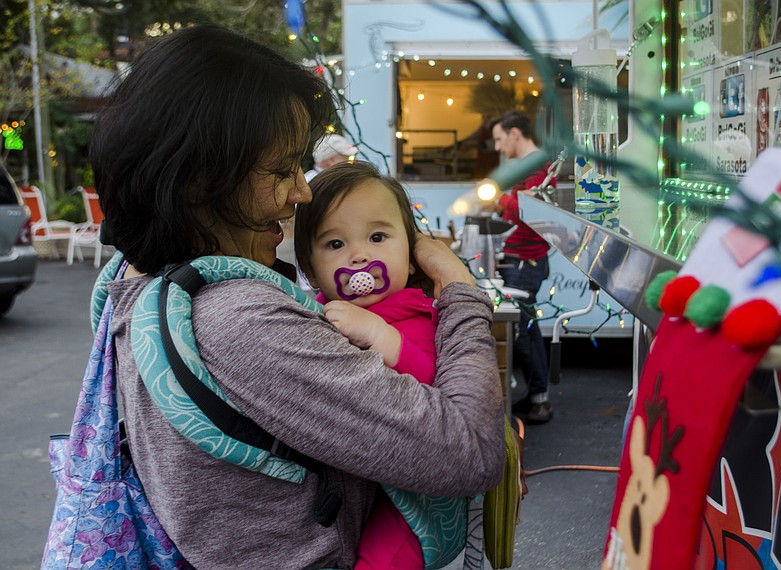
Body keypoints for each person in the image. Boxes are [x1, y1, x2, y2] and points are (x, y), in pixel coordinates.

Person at [90, 25, 504, 568]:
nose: (302, 192)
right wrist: (460, 291)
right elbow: (468, 452)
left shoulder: (137, 280)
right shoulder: (242, 323)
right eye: (283, 169)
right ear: (201, 179)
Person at [295, 160, 439, 568]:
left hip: (413, 498)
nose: (359, 256)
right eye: (335, 244)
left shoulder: (417, 313)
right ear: (310, 269)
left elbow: (438, 392)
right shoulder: (311, 314)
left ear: (411, 258)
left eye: (377, 237)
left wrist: (381, 337)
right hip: (345, 479)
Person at [490, 110, 555, 424]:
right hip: (521, 259)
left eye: (500, 139)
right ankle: (537, 395)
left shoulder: (539, 166)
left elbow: (528, 209)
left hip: (526, 262)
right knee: (525, 328)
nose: (499, 148)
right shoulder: (533, 167)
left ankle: (540, 399)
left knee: (523, 331)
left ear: (515, 133)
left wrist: (501, 201)